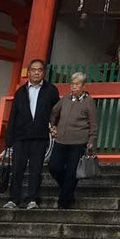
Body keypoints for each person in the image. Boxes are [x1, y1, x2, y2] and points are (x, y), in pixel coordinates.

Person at [3, 58, 58, 210]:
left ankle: (32, 199)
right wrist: (9, 139)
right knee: (17, 169)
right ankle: (14, 199)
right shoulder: (20, 92)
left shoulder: (51, 90)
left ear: (44, 72)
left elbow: (56, 112)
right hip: (21, 136)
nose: (36, 73)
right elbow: (13, 115)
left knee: (36, 169)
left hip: (39, 136)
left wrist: (55, 127)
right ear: (29, 72)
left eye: (39, 70)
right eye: (33, 70)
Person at [48, 71, 98, 210]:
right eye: (72, 84)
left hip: (78, 141)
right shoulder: (65, 99)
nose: (73, 87)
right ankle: (68, 192)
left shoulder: (88, 102)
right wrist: (53, 126)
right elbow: (54, 112)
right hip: (61, 140)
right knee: (54, 167)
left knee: (71, 172)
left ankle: (63, 202)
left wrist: (91, 140)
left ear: (83, 86)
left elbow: (93, 123)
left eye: (77, 84)